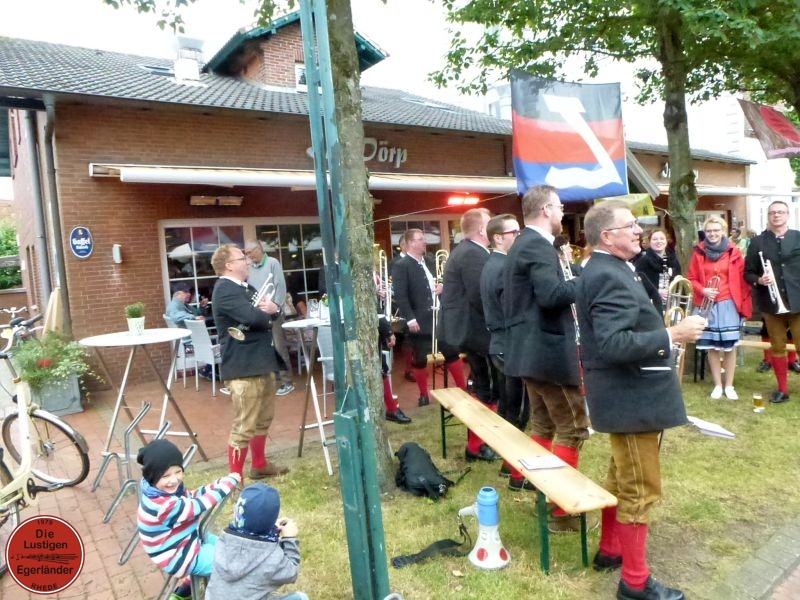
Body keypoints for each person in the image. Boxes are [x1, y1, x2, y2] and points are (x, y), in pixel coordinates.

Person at [576, 200, 706, 600]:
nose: (639, 231)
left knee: (621, 477)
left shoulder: (610, 267)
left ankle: (611, 550)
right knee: (639, 488)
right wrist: (673, 334)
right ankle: (634, 582)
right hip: (630, 398)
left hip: (629, 395)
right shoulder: (607, 274)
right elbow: (614, 344)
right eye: (630, 225)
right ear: (606, 236)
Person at [502, 185, 590, 523]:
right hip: (546, 353)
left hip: (530, 351)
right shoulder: (538, 245)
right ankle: (561, 510)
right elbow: (551, 295)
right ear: (546, 210)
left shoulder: (523, 243)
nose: (563, 211)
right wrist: (586, 279)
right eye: (560, 206)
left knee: (543, 423)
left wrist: (574, 275)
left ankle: (538, 491)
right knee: (573, 427)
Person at [211, 244, 289, 478]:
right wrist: (268, 313)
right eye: (241, 258)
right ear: (229, 265)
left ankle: (259, 465)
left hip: (262, 361)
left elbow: (273, 313)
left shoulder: (246, 288)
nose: (247, 261)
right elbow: (252, 318)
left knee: (263, 419)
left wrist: (273, 309)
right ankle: (235, 479)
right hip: (243, 367)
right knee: (244, 426)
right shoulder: (224, 289)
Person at [136, 439, 241, 600]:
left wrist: (219, 483)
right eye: (166, 476)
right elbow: (199, 505)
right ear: (152, 477)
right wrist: (228, 484)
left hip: (184, 541)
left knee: (227, 545)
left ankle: (184, 592)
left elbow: (192, 496)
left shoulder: (160, 490)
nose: (174, 480)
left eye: (178, 472)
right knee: (229, 563)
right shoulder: (163, 505)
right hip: (176, 555)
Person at [438, 208, 503, 462]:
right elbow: (481, 296)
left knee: (485, 386)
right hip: (477, 332)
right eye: (490, 224)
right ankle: (478, 445)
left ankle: (479, 442)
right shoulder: (472, 254)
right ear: (481, 230)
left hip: (473, 330)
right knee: (487, 388)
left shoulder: (468, 251)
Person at [392, 229, 468, 410]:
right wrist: (410, 319)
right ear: (411, 243)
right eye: (420, 239)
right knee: (420, 358)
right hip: (419, 319)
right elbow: (401, 295)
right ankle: (423, 395)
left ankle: (463, 389)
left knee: (451, 351)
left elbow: (437, 282)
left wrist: (442, 287)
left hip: (439, 315)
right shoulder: (402, 265)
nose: (424, 242)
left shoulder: (430, 261)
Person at [480, 213, 527, 478]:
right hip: (508, 343)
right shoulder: (502, 267)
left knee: (509, 404)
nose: (518, 236)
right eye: (514, 233)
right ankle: (511, 464)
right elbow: (513, 309)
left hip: (501, 342)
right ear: (498, 238)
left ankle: (507, 460)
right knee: (516, 408)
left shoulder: (495, 263)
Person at [206, 482, 307, 600]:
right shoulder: (273, 559)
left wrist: (272, 530)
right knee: (301, 597)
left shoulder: (223, 541)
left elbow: (251, 545)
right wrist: (289, 539)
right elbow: (292, 572)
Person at [687, 216, 751, 400]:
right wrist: (703, 290)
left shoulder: (734, 252)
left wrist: (742, 304)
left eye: (716, 230)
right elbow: (691, 278)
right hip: (706, 304)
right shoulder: (699, 252)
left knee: (730, 348)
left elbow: (742, 280)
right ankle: (717, 385)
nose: (712, 234)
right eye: (709, 231)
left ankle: (729, 385)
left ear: (723, 231)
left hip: (728, 303)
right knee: (712, 347)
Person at [744, 200, 800, 404]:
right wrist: (760, 280)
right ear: (768, 216)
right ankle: (782, 390)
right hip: (771, 304)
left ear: (788, 215)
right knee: (777, 347)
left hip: (798, 301)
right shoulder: (758, 242)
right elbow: (748, 272)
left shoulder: (798, 237)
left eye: (780, 212)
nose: (776, 215)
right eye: (772, 212)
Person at [245, 241, 295, 397]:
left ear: (258, 249)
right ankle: (271, 379)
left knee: (279, 347)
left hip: (273, 312)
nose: (248, 256)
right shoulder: (250, 268)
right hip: (258, 313)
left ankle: (287, 381)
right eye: (246, 253)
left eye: (249, 252)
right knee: (263, 348)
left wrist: (276, 307)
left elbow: (280, 287)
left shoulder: (273, 263)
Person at [166, 283, 215, 380]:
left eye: (189, 291)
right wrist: (193, 317)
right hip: (190, 345)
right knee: (219, 343)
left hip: (190, 342)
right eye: (185, 292)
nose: (189, 294)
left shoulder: (183, 305)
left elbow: (197, 313)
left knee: (214, 342)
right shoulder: (174, 306)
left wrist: (202, 307)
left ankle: (208, 371)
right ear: (177, 294)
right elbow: (176, 317)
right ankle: (213, 372)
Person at [633, 228, 682, 313]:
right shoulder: (642, 261)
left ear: (666, 240)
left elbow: (679, 282)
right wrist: (656, 291)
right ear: (649, 242)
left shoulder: (673, 260)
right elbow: (637, 284)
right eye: (655, 239)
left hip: (671, 305)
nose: (659, 241)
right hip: (651, 306)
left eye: (662, 239)